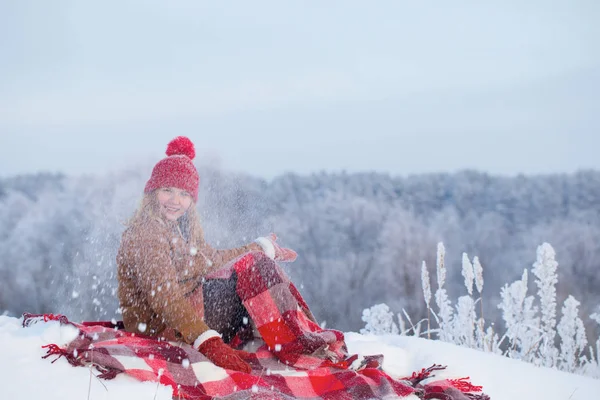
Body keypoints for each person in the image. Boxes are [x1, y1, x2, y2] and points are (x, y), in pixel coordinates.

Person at [116, 136, 328, 374]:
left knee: (251, 268)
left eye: (184, 194)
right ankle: (299, 344)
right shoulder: (146, 233)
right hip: (163, 327)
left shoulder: (175, 228)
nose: (176, 200)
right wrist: (208, 341)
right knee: (255, 270)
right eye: (168, 190)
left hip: (185, 314)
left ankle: (293, 340)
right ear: (152, 192)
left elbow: (210, 260)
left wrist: (256, 248)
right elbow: (165, 299)